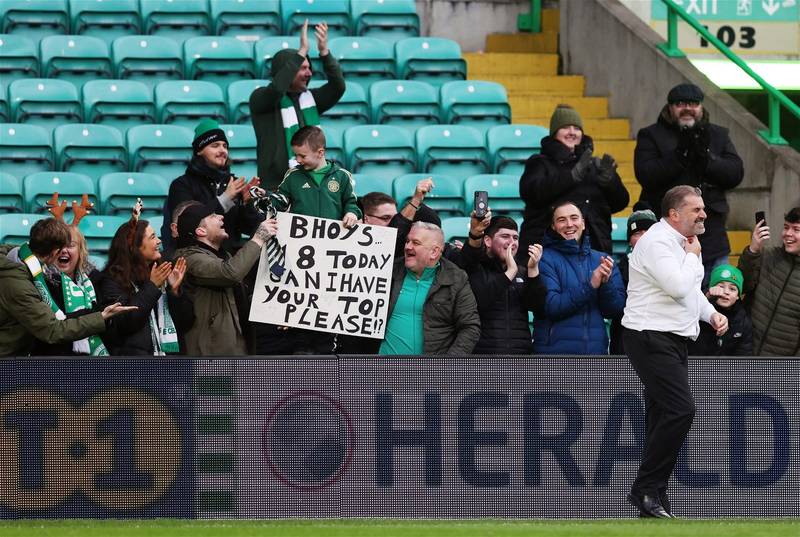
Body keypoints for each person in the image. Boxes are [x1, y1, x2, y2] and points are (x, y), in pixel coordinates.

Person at [622, 185, 729, 518]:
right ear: (674, 214)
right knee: (681, 409)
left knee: (660, 417)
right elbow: (680, 284)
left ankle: (654, 497)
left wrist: (710, 313)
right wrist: (694, 259)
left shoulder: (677, 245)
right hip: (649, 335)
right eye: (696, 209)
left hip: (671, 338)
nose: (703, 214)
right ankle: (645, 490)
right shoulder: (657, 243)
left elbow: (687, 293)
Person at [634, 83, 744, 286]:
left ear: (701, 107)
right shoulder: (650, 135)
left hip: (710, 233)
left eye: (693, 103)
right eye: (680, 103)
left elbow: (735, 173)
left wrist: (707, 159)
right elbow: (646, 175)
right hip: (668, 230)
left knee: (714, 297)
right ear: (670, 107)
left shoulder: (718, 134)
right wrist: (679, 156)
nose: (687, 108)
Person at [0, 218, 133, 357]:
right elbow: (53, 330)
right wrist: (101, 317)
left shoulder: (19, 256)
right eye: (62, 248)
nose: (64, 251)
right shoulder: (18, 284)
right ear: (54, 253)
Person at [519, 104, 629, 259]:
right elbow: (530, 192)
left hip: (595, 250)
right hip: (548, 252)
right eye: (565, 127)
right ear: (554, 133)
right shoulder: (539, 162)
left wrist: (610, 182)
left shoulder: (595, 165)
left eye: (577, 128)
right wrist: (571, 176)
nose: (572, 132)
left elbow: (621, 203)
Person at [249, 20, 345, 189]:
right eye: (302, 68)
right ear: (285, 70)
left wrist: (324, 52)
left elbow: (338, 86)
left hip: (312, 183)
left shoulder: (310, 99)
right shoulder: (261, 99)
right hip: (276, 186)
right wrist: (301, 51)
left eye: (309, 67)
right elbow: (277, 89)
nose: (309, 73)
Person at [175, 205, 277, 356]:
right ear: (201, 231)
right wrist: (258, 238)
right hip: (211, 357)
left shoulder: (224, 256)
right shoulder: (189, 258)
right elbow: (230, 273)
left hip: (237, 351)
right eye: (213, 216)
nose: (221, 217)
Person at [533, 202, 626, 355]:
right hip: (554, 356)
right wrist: (590, 285)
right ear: (553, 226)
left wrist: (605, 284)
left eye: (574, 218)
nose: (569, 224)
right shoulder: (544, 259)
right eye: (561, 220)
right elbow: (552, 306)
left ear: (583, 224)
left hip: (595, 355)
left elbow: (614, 311)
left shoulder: (603, 259)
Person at [161, 119, 264, 254]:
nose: (223, 151)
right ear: (199, 151)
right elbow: (188, 225)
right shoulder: (181, 185)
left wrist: (247, 203)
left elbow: (250, 228)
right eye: (215, 145)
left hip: (229, 261)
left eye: (225, 146)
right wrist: (225, 199)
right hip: (193, 259)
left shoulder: (234, 184)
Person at [380, 222, 480, 355]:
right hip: (382, 370)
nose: (407, 247)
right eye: (407, 241)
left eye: (415, 243)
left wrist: (449, 365)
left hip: (431, 372)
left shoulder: (457, 279)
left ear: (434, 252)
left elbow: (470, 327)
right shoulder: (386, 270)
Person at [98, 214, 186, 355]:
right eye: (152, 237)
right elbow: (125, 323)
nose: (158, 241)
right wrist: (151, 287)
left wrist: (174, 292)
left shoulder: (163, 270)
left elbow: (187, 322)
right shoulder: (111, 280)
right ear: (134, 247)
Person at [460, 213, 545, 354]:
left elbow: (537, 306)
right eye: (505, 236)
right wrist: (510, 272)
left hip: (520, 356)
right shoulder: (476, 268)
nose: (512, 242)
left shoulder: (523, 272)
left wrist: (533, 269)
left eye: (515, 238)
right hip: (484, 357)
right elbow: (482, 300)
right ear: (487, 241)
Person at [738, 207, 800, 356]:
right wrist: (753, 250)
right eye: (786, 227)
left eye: (796, 229)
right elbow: (742, 286)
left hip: (783, 365)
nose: (788, 234)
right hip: (745, 353)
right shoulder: (767, 255)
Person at [609, 202, 658, 354]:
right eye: (637, 233)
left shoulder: (672, 265)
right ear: (629, 240)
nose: (643, 238)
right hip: (627, 339)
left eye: (648, 232)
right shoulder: (619, 270)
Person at [688, 264, 753, 356]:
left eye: (732, 289)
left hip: (728, 369)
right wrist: (708, 297)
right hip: (696, 366)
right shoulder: (699, 309)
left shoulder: (743, 320)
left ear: (738, 296)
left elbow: (744, 353)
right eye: (721, 287)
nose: (726, 292)